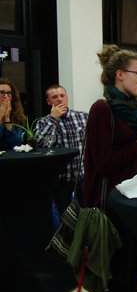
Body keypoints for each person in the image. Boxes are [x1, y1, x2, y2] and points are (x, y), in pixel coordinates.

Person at [83, 44, 137, 292]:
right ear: (119, 74)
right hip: (113, 208)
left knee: (134, 273)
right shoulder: (101, 110)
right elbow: (104, 163)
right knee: (116, 280)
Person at [35, 85, 88, 214]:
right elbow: (40, 144)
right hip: (60, 181)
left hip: (83, 178)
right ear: (48, 102)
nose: (59, 99)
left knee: (88, 216)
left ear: (66, 98)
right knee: (65, 218)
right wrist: (53, 119)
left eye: (62, 96)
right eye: (55, 97)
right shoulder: (43, 122)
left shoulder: (83, 117)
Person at [0, 77, 25, 149]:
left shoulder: (18, 117)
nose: (6, 97)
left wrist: (7, 120)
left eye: (9, 93)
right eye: (2, 92)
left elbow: (17, 145)